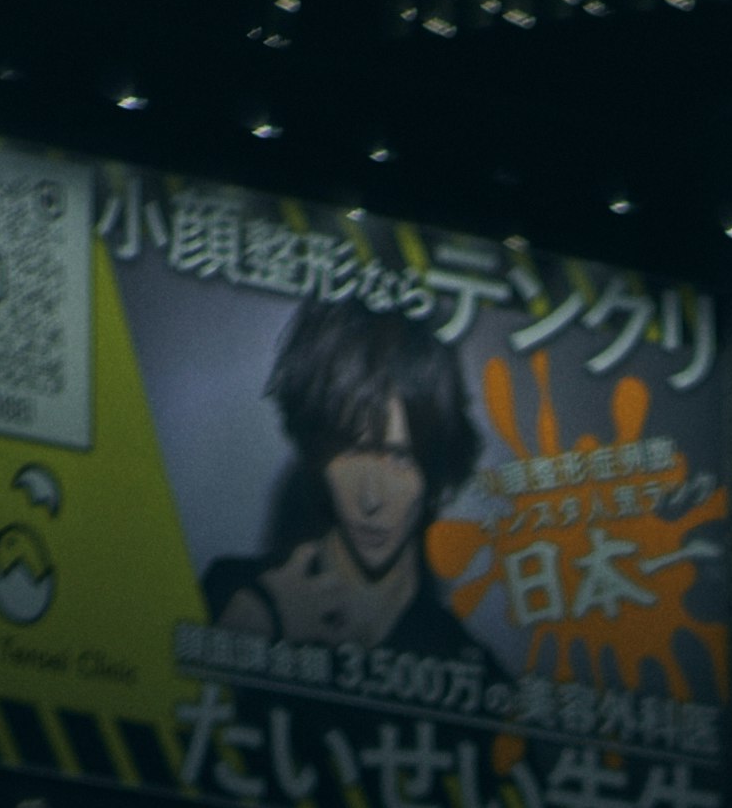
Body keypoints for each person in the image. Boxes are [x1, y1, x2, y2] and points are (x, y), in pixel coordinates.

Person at [208, 296, 509, 691]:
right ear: (317, 454)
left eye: (400, 459)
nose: (371, 499)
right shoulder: (233, 599)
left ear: (435, 468)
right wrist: (248, 645)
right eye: (350, 452)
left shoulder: (477, 679)